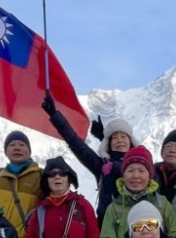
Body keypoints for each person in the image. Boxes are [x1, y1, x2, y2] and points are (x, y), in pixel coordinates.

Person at [42, 91, 136, 226]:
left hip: (136, 225)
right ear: (108, 144)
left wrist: (104, 139)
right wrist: (55, 115)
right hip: (106, 226)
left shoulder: (141, 165)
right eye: (114, 137)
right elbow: (76, 143)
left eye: (123, 136)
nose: (119, 140)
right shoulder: (101, 166)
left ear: (131, 141)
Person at [99, 146, 176, 238]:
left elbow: (175, 237)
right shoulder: (114, 208)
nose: (136, 176)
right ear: (123, 176)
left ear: (150, 176)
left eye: (141, 170)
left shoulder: (162, 203)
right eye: (130, 170)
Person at [23, 156, 100, 238]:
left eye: (62, 173)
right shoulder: (40, 210)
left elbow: (94, 237)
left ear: (69, 178)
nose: (57, 176)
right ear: (47, 181)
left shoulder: (82, 205)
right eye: (51, 174)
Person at [0, 130, 42, 238]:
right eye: (12, 145)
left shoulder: (40, 176)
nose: (17, 148)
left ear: (29, 151)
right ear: (6, 152)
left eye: (22, 145)